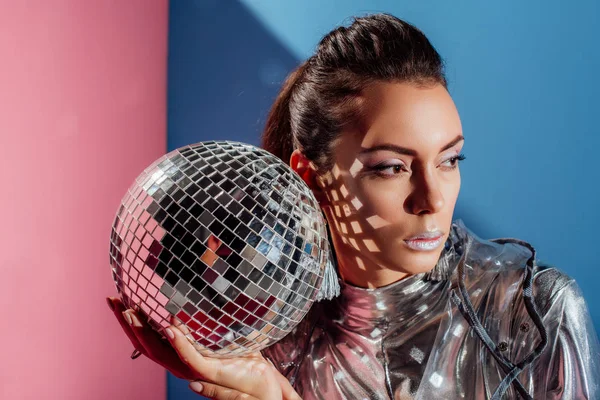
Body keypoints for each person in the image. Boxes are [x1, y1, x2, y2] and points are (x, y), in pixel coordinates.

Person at [106, 13, 600, 400]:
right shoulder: (270, 338)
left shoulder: (529, 314)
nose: (433, 200)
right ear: (309, 176)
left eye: (450, 160)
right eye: (391, 167)